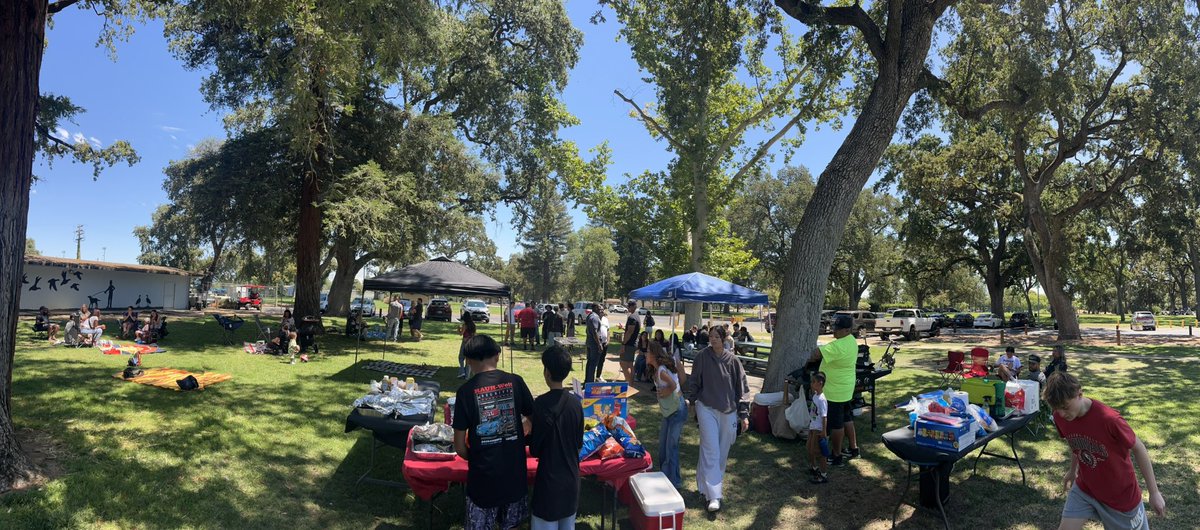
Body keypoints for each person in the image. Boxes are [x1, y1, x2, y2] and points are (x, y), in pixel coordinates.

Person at [1045, 372, 1165, 529]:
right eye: (1057, 409)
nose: (1061, 413)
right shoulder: (1061, 417)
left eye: (1065, 407)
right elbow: (1076, 443)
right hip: (1086, 488)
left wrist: (1154, 492)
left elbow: (1139, 448)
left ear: (1079, 394)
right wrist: (1072, 470)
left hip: (1120, 497)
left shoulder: (1109, 419)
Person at [453, 335, 535, 530]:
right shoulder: (516, 381)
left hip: (483, 476)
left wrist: (473, 457)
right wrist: (522, 430)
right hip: (514, 472)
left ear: (469, 361)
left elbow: (458, 445)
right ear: (497, 356)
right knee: (511, 525)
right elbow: (533, 416)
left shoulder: (465, 391)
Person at [685, 326, 750, 512]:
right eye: (711, 336)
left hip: (728, 411)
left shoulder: (733, 361)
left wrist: (744, 414)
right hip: (706, 408)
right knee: (711, 450)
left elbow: (743, 388)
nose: (713, 340)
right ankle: (714, 496)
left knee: (721, 453)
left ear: (723, 338)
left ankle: (704, 484)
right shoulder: (702, 357)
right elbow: (695, 381)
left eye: (716, 337)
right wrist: (691, 399)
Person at [529, 345, 584, 530]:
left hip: (549, 481)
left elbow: (535, 448)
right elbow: (578, 443)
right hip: (571, 480)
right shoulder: (576, 404)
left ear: (547, 372)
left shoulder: (540, 404)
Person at [809, 314, 859, 466]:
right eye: (833, 327)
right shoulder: (851, 341)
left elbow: (816, 354)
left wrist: (814, 356)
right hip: (846, 388)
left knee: (837, 425)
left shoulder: (838, 346)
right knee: (846, 418)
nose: (834, 331)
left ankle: (836, 456)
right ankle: (853, 448)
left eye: (838, 329)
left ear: (847, 330)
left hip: (835, 392)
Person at [649, 341, 687, 490]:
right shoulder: (658, 370)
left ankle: (674, 481)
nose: (645, 354)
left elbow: (672, 384)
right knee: (664, 444)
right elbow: (679, 379)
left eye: (647, 352)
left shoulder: (661, 371)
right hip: (670, 411)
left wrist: (668, 391)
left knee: (671, 445)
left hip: (677, 410)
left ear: (653, 354)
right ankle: (665, 475)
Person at [807, 372, 830, 484]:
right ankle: (814, 468)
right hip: (812, 427)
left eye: (814, 382)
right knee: (810, 449)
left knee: (820, 453)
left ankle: (823, 474)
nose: (811, 384)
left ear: (820, 384)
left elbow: (824, 417)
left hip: (819, 429)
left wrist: (823, 431)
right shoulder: (815, 396)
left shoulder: (822, 399)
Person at [620, 301, 641, 386]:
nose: (628, 309)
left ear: (632, 306)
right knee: (629, 364)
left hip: (629, 344)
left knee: (623, 363)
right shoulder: (637, 316)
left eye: (628, 307)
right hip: (633, 343)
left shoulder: (632, 317)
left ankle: (629, 385)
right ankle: (630, 385)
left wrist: (623, 344)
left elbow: (630, 332)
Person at [585, 304, 604, 383]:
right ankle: (589, 382)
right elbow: (594, 332)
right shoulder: (595, 317)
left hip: (589, 342)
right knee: (593, 364)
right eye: (600, 308)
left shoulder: (590, 316)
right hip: (594, 343)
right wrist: (599, 344)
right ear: (595, 308)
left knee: (589, 363)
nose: (601, 310)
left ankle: (587, 381)